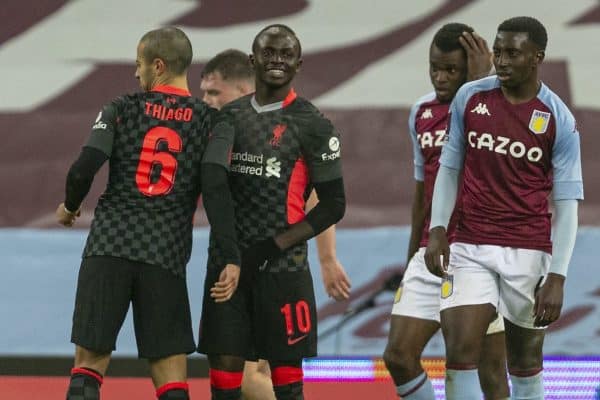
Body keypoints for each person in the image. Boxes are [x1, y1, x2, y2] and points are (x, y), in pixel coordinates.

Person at [55, 27, 240, 400]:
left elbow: (83, 168)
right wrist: (232, 255)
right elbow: (217, 188)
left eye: (138, 64)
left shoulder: (120, 108)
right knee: (170, 377)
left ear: (158, 65)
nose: (135, 73)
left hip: (109, 246)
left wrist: (70, 206)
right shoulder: (213, 121)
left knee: (88, 367)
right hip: (164, 254)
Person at [425, 16, 583, 399]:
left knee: (525, 363)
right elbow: (449, 168)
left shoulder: (558, 119)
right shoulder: (471, 97)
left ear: (536, 57)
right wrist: (438, 229)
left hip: (528, 250)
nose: (501, 60)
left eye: (513, 53)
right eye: (498, 51)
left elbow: (566, 204)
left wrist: (558, 276)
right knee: (461, 351)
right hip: (470, 244)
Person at [197, 24, 346, 400]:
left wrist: (273, 247)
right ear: (253, 60)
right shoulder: (226, 117)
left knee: (285, 385)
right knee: (226, 379)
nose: (277, 60)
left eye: (285, 54)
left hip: (284, 269)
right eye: (269, 52)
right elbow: (211, 187)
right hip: (227, 266)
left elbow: (333, 204)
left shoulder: (313, 124)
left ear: (298, 63)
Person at [382, 23, 509, 400]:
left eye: (451, 70)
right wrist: (410, 260)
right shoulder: (420, 112)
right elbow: (422, 194)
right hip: (431, 251)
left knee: (486, 369)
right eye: (434, 67)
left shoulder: (500, 108)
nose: (440, 77)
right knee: (399, 356)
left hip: (483, 252)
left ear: (471, 67)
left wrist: (480, 85)